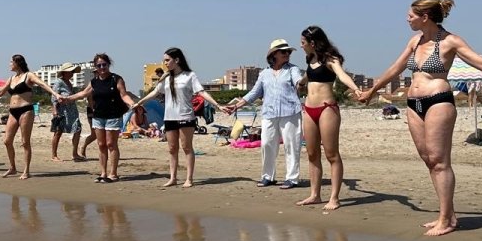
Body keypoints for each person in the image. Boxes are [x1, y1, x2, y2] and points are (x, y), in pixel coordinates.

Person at [357, 0, 482, 236]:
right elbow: (395, 68)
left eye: (410, 15)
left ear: (425, 17)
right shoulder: (415, 41)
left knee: (440, 160)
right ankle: (448, 214)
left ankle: (446, 218)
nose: (407, 18)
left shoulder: (450, 41)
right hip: (414, 104)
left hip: (438, 102)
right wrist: (371, 91)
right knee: (428, 159)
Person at [133, 48, 223, 187]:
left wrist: (217, 105)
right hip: (169, 117)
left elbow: (201, 92)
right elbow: (156, 92)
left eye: (167, 60)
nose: (165, 63)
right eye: (164, 61)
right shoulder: (166, 78)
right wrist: (139, 102)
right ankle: (173, 178)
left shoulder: (189, 76)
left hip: (186, 116)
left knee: (187, 147)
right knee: (172, 148)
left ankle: (189, 179)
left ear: (177, 60)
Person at [294, 26, 362, 211]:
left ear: (313, 43)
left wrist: (355, 89)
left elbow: (342, 75)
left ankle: (334, 198)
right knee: (312, 153)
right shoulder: (311, 59)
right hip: (309, 109)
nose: (301, 46)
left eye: (303, 43)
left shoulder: (330, 60)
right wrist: (300, 83)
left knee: (332, 154)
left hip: (327, 109)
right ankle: (315, 195)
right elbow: (308, 76)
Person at [223, 39, 305, 189]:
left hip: (291, 112)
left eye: (288, 52)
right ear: (274, 54)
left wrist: (303, 82)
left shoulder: (293, 69)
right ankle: (268, 176)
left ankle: (292, 178)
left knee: (291, 145)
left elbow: (299, 82)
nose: (287, 54)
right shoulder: (264, 73)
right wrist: (236, 106)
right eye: (283, 51)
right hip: (269, 113)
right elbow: (254, 93)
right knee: (267, 144)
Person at [62, 53, 141, 183]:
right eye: (99, 65)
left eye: (104, 64)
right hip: (98, 116)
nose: (102, 67)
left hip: (113, 115)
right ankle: (103, 173)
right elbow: (83, 93)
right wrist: (68, 99)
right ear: (95, 67)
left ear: (108, 65)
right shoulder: (94, 81)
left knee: (111, 144)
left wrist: (132, 103)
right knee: (101, 144)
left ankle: (113, 173)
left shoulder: (116, 79)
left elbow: (124, 95)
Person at [0, 54, 61, 179]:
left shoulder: (28, 75)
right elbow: (0, 91)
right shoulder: (12, 78)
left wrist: (55, 93)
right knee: (7, 141)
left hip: (26, 111)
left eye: (11, 62)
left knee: (25, 142)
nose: (9, 64)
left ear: (18, 63)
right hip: (12, 112)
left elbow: (42, 84)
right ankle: (12, 168)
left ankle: (26, 170)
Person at [48, 63, 83, 161]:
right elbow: (54, 96)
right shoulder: (59, 82)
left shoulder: (69, 82)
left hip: (72, 110)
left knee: (78, 129)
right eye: (70, 71)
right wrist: (55, 110)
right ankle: (54, 155)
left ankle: (75, 153)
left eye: (73, 71)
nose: (72, 73)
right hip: (62, 110)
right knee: (58, 132)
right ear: (64, 72)